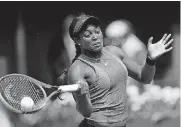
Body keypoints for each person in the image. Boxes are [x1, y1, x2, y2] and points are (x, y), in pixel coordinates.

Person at [62, 13, 173, 127]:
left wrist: (150, 59)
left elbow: (144, 77)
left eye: (97, 31)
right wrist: (82, 96)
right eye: (87, 34)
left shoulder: (115, 52)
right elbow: (86, 112)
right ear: (77, 40)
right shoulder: (77, 69)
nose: (95, 37)